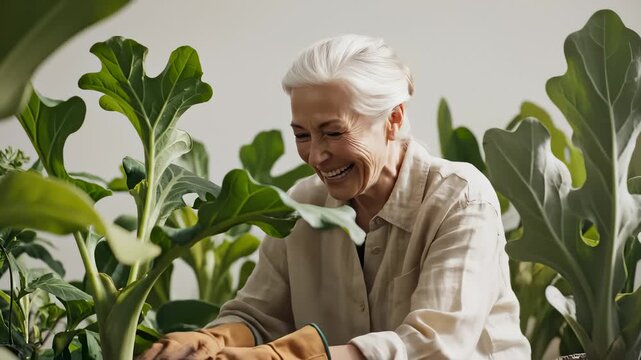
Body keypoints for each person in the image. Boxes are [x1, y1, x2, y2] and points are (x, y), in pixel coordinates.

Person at [138, 34, 531, 360]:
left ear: (393, 119)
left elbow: (436, 346)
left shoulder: (459, 199)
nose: (316, 155)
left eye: (334, 132)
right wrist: (215, 341)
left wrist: (290, 355)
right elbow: (258, 316)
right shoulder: (303, 205)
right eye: (302, 135)